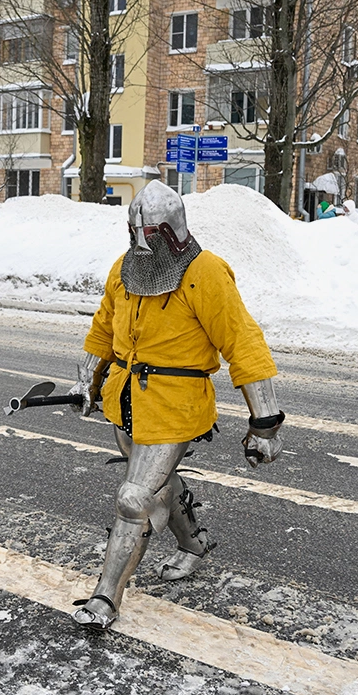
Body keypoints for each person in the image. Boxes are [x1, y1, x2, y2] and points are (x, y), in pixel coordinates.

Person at [66, 180, 285, 631]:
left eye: (150, 236)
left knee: (134, 498)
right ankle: (193, 543)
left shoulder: (205, 272)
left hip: (176, 408)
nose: (142, 245)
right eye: (136, 235)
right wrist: (88, 379)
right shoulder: (123, 269)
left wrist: (265, 423)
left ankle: (106, 597)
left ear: (171, 232)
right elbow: (103, 328)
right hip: (127, 403)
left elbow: (241, 340)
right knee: (158, 484)